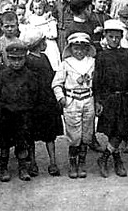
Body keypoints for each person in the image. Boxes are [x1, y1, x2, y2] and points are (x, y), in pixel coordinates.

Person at [93, 20, 128, 178]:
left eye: (117, 37)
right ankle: (117, 159)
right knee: (113, 130)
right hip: (110, 98)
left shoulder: (127, 53)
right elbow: (97, 80)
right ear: (105, 36)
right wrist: (98, 100)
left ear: (122, 37)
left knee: (122, 130)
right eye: (110, 36)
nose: (114, 40)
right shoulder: (101, 56)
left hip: (126, 97)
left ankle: (105, 157)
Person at [0, 42, 40, 182]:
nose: (16, 62)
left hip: (23, 116)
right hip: (6, 116)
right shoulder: (1, 76)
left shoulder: (29, 76)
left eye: (19, 59)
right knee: (5, 144)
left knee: (22, 143)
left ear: (25, 58)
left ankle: (23, 168)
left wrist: (28, 110)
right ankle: (4, 168)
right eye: (13, 59)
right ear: (8, 58)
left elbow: (34, 94)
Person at [52, 32, 96, 179]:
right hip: (72, 101)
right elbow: (56, 83)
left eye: (82, 48)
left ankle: (82, 162)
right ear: (70, 49)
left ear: (87, 49)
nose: (79, 52)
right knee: (74, 135)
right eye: (76, 48)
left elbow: (97, 82)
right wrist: (61, 97)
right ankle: (73, 163)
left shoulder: (92, 62)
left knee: (86, 134)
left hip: (88, 99)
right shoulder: (66, 64)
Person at [24, 31, 63, 179]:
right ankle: (33, 162)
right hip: (36, 102)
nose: (45, 43)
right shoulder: (29, 61)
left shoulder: (44, 57)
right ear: (38, 44)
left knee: (49, 135)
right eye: (43, 41)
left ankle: (52, 162)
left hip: (47, 101)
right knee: (32, 135)